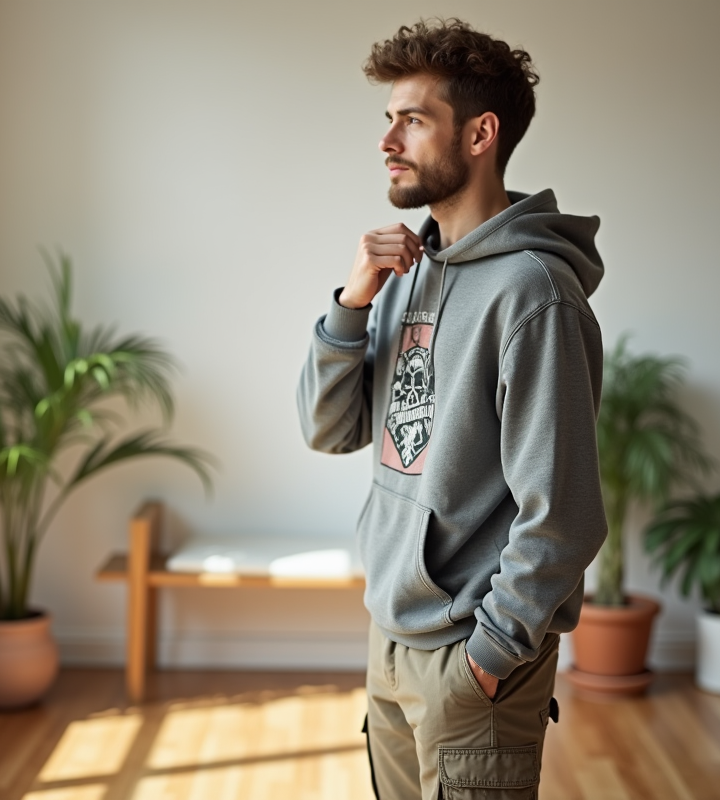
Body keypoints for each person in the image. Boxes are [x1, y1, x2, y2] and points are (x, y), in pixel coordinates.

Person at [296, 18, 608, 799]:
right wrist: (352, 303)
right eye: (388, 119)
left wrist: (491, 656)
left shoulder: (535, 295)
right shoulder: (403, 273)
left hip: (472, 656)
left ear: (481, 134)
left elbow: (563, 514)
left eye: (413, 119)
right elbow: (328, 429)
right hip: (392, 639)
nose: (387, 140)